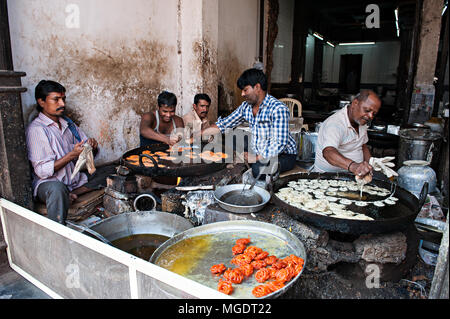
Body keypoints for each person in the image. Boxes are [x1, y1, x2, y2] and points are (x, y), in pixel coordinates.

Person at [26, 80, 99, 225]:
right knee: (56, 189)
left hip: (73, 181)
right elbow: (42, 171)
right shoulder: (37, 130)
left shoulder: (68, 125)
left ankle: (70, 194)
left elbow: (89, 152)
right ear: (41, 102)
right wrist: (71, 155)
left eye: (63, 99)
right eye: (56, 100)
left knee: (111, 170)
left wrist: (92, 147)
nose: (62, 104)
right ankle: (57, 230)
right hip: (49, 184)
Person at [203, 68, 297, 179]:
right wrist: (197, 134)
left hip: (283, 155)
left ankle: (252, 162)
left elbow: (280, 143)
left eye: (245, 90)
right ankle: (248, 160)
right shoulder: (246, 107)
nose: (242, 94)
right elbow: (224, 124)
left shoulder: (277, 108)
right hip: (260, 148)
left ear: (257, 87)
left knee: (258, 170)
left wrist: (256, 157)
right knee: (233, 137)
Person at [313, 90, 382, 179]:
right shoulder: (335, 123)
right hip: (329, 178)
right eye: (367, 110)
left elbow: (363, 146)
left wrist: (370, 165)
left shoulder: (361, 121)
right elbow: (328, 152)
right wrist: (354, 167)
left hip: (353, 176)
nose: (370, 116)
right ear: (355, 103)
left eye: (374, 113)